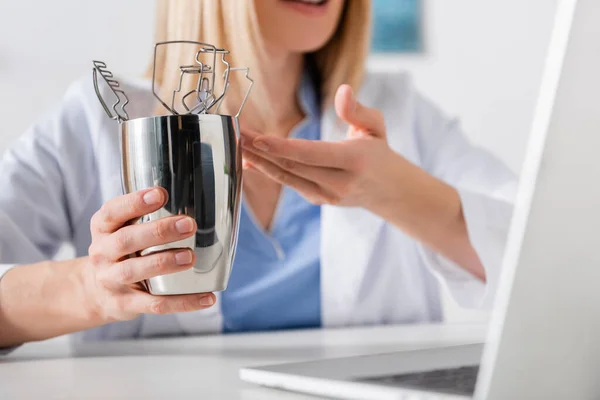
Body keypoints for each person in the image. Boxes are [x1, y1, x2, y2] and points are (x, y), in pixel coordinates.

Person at [0, 0, 516, 350]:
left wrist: (400, 192)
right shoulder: (96, 122)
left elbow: (553, 261)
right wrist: (93, 289)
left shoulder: (400, 112)